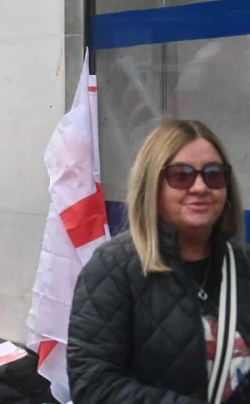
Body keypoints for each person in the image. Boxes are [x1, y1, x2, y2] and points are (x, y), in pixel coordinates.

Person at [68, 120, 250, 403]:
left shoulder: (243, 263)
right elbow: (94, 385)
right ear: (152, 186)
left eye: (213, 174)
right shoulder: (113, 268)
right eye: (181, 175)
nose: (200, 187)